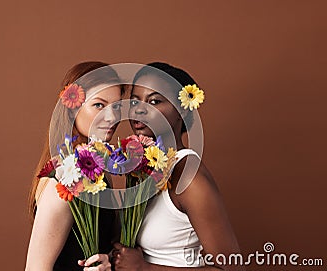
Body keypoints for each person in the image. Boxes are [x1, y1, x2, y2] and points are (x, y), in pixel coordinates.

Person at [113, 62, 242, 271]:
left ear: (182, 110)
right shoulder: (143, 170)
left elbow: (231, 269)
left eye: (154, 101)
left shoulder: (189, 177)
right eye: (135, 102)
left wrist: (145, 268)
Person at [26, 61, 124, 271]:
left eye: (116, 106)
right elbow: (36, 268)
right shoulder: (62, 179)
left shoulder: (97, 171)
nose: (112, 116)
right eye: (99, 105)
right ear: (72, 109)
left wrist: (109, 261)